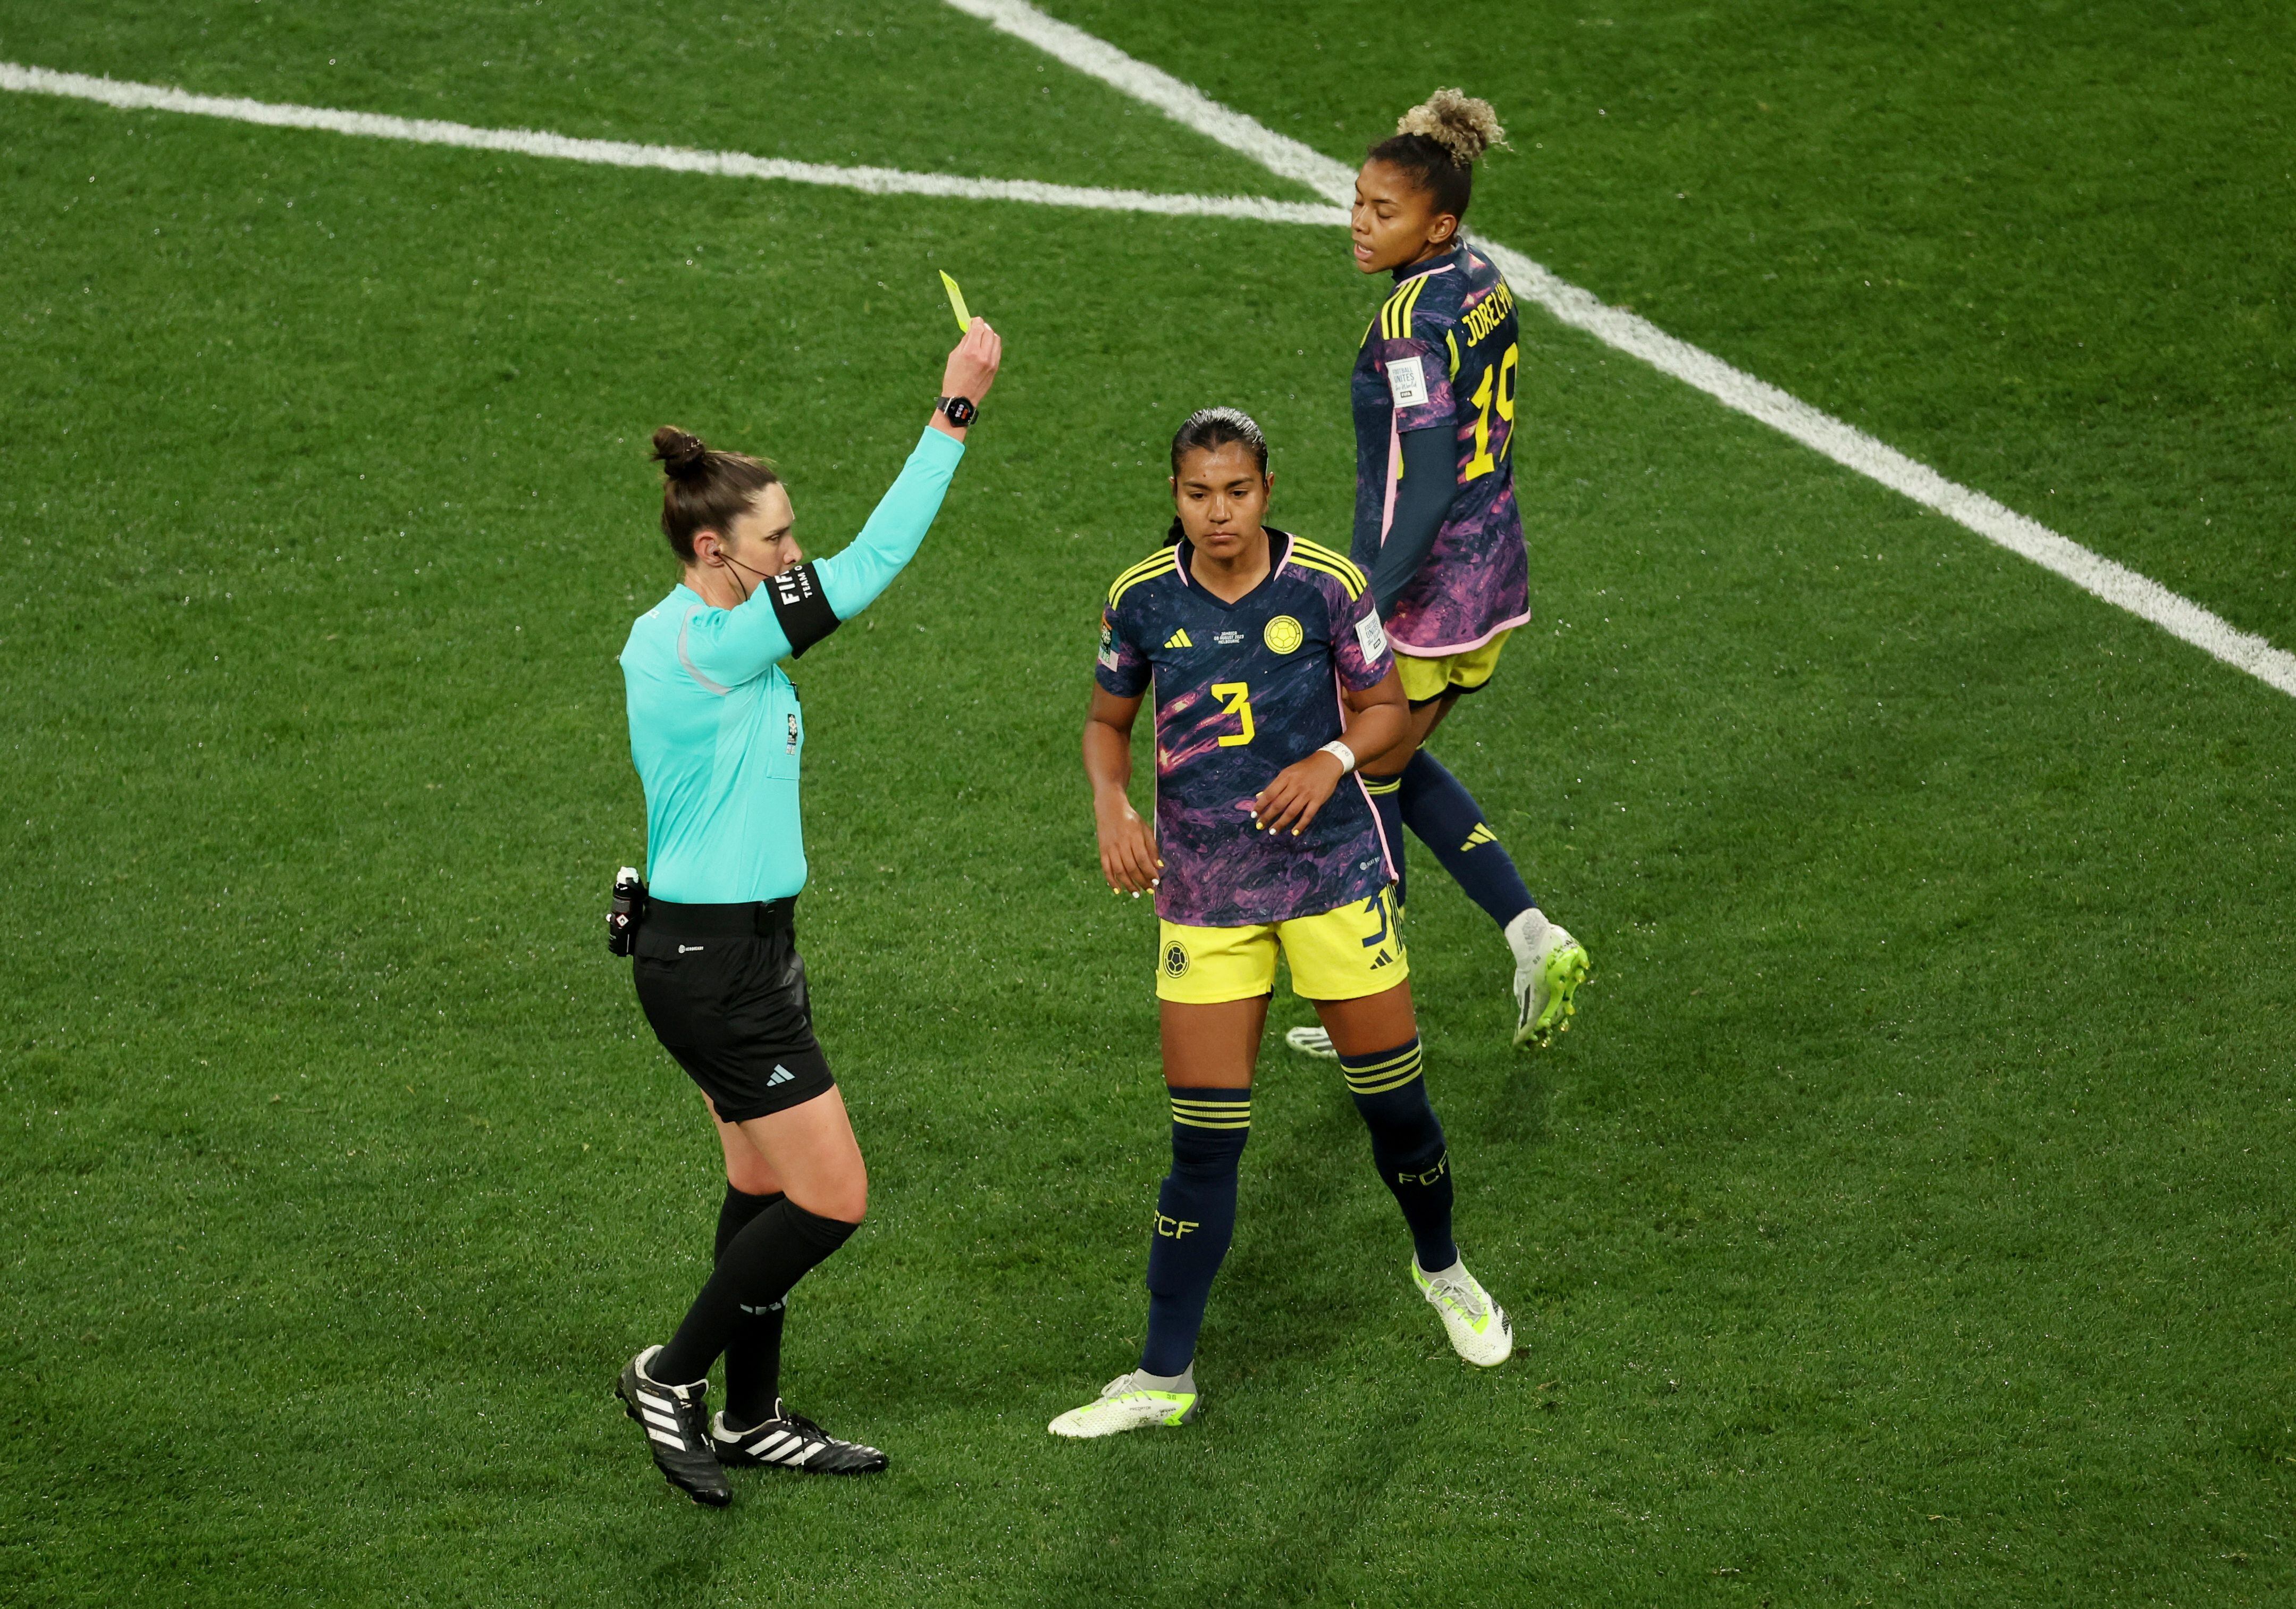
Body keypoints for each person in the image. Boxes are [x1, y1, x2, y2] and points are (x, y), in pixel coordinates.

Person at [1053, 406, 1513, 1441]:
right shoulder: (1139, 600)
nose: (1219, 512)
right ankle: (1163, 1374)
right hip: (1207, 898)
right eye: (1198, 493)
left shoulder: (1325, 586)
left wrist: (1335, 759)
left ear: (1268, 489)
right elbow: (1104, 721)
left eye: (1238, 491)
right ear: (1173, 494)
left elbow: (1387, 709)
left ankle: (1442, 1269)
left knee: (1396, 1108)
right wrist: (1112, 804)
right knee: (1203, 1144)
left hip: (1333, 881)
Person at [610, 317, 1002, 1505]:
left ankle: (752, 1414)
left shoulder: (707, 638)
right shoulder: (706, 645)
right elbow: (876, 563)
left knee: (766, 1185)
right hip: (714, 968)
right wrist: (955, 413)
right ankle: (672, 1376)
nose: (798, 551)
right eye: (777, 537)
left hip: (736, 952)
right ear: (713, 547)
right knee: (834, 1196)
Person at [1288, 89, 1591, 1061]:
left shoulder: (1410, 324)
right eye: (1359, 202)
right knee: (1393, 766)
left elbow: (1418, 485)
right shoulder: (1484, 276)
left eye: (1385, 211)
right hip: (1492, 570)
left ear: (1439, 223)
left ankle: (1380, 1023)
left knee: (1362, 786)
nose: (1361, 224)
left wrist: (1363, 596)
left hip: (1422, 592)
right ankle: (1532, 937)